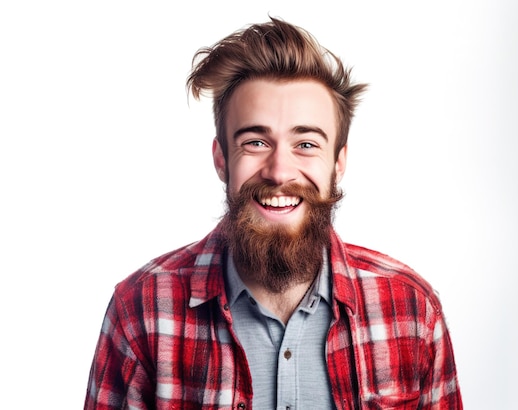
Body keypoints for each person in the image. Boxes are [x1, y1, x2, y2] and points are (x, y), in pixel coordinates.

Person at [84, 17, 463, 410]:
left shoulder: (412, 310)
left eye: (306, 144)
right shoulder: (141, 311)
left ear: (338, 162)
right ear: (221, 159)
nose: (280, 171)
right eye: (256, 142)